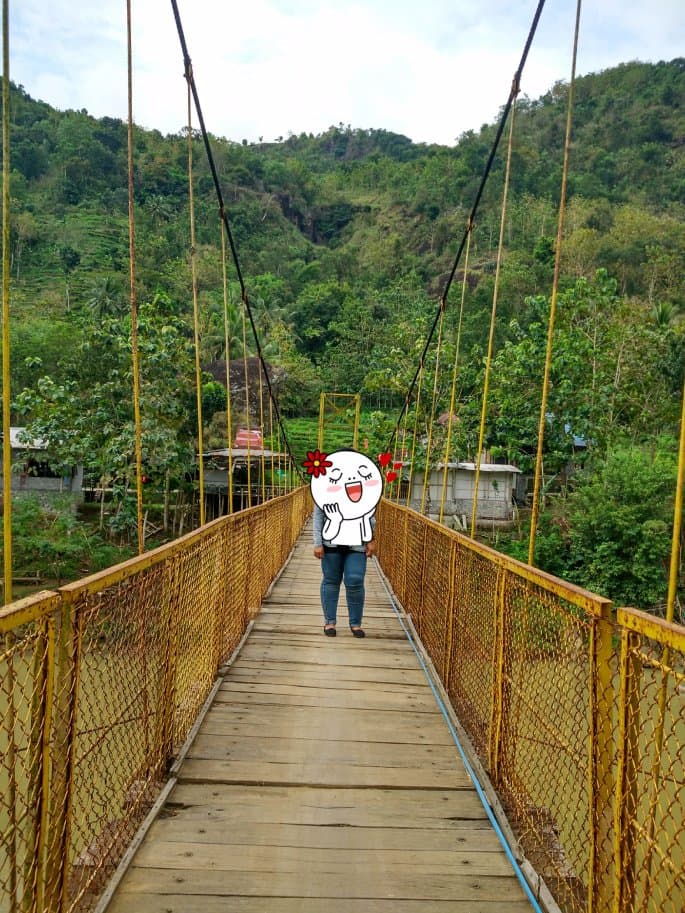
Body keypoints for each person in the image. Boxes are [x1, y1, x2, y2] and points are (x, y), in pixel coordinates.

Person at [313, 503, 376, 637]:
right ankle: (329, 622)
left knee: (355, 580)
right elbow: (318, 514)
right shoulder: (325, 486)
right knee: (331, 580)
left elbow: (368, 510)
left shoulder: (361, 483)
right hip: (331, 541)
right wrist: (318, 543)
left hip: (357, 542)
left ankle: (355, 624)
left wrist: (370, 538)